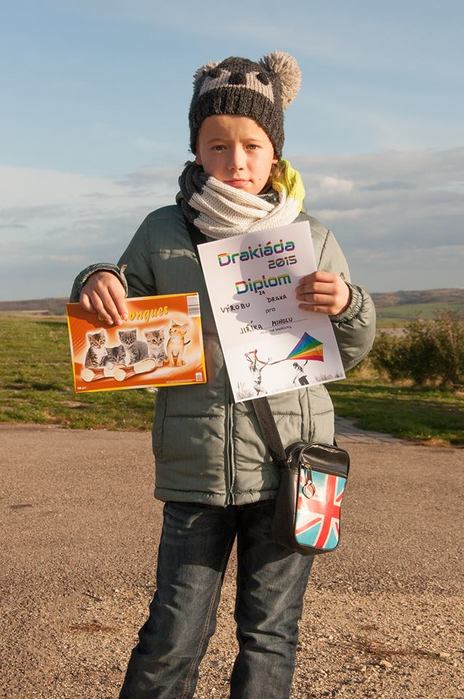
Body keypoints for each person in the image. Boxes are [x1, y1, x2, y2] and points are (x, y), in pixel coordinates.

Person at [71, 51, 376, 699]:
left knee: (270, 635)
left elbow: (350, 350)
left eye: (252, 145)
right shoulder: (162, 232)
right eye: (218, 145)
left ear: (275, 152)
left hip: (293, 466)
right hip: (197, 471)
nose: (236, 161)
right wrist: (95, 279)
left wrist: (348, 304)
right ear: (196, 150)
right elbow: (113, 319)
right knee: (172, 634)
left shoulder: (312, 236)